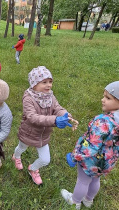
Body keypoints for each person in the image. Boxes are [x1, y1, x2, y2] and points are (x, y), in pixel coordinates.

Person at [12, 66, 78, 185]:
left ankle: (32, 169)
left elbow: (57, 108)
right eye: (44, 82)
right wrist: (55, 120)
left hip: (43, 135)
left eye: (50, 81)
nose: (49, 85)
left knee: (45, 159)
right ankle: (16, 157)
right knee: (21, 148)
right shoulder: (28, 98)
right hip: (29, 132)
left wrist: (66, 115)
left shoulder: (50, 96)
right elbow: (32, 117)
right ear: (34, 84)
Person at [61, 81, 119, 210]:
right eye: (104, 96)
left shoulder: (103, 122)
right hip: (107, 161)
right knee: (95, 180)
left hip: (91, 160)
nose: (102, 100)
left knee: (83, 181)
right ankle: (88, 200)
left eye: (108, 98)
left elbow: (91, 147)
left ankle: (74, 201)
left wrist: (75, 156)